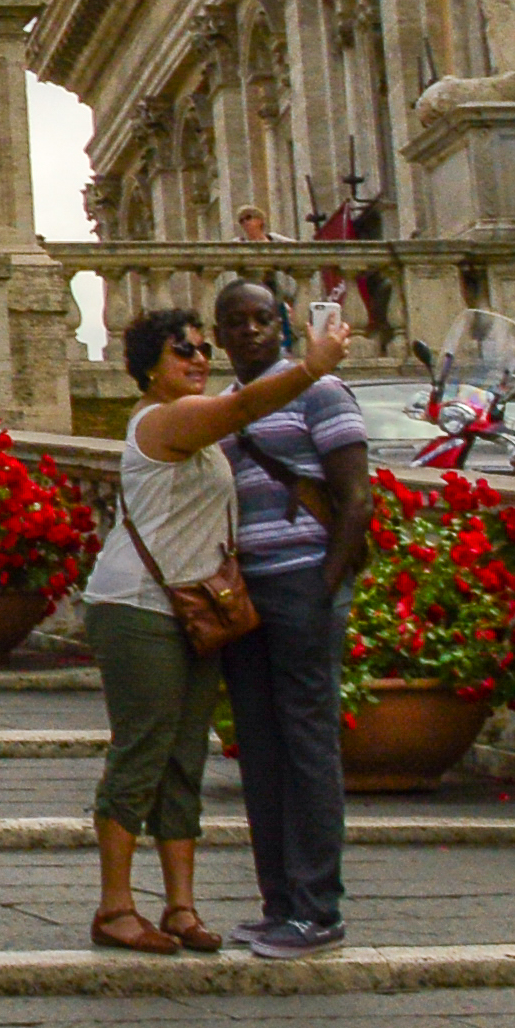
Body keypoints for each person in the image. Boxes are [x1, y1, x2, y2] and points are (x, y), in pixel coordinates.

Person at [80, 294, 338, 957]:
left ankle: (180, 907)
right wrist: (310, 366)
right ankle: (115, 906)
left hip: (192, 607)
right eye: (182, 351)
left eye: (203, 349)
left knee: (184, 758)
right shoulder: (163, 422)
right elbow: (242, 407)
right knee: (142, 751)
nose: (199, 359)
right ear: (147, 368)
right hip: (137, 604)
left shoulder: (195, 422)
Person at [210, 270, 371, 961]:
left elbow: (356, 500)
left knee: (307, 748)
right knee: (262, 749)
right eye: (235, 323)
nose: (249, 331)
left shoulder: (321, 389)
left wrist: (322, 588)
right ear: (220, 337)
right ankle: (278, 904)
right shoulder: (224, 409)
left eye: (260, 319)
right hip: (247, 599)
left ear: (281, 322)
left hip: (303, 587)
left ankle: (318, 908)